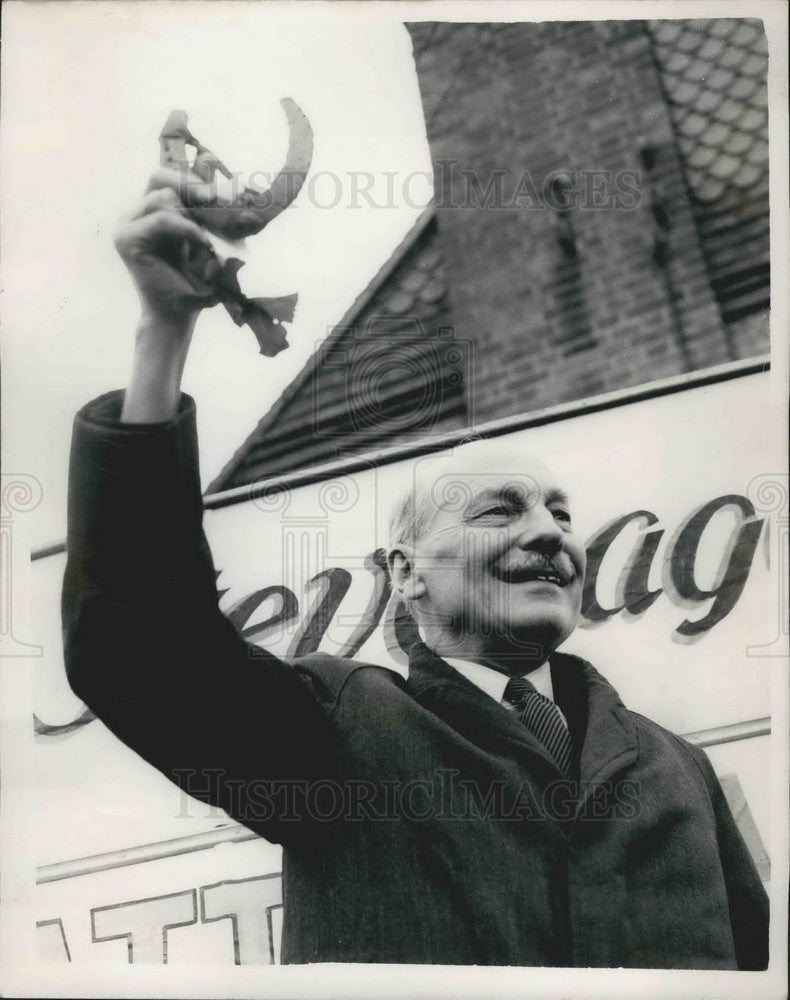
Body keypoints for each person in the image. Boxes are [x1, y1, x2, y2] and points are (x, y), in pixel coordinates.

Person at [62, 168, 769, 969]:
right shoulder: (337, 733)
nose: (549, 535)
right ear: (405, 573)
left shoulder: (682, 773)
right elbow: (140, 649)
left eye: (561, 514)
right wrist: (163, 330)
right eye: (499, 511)